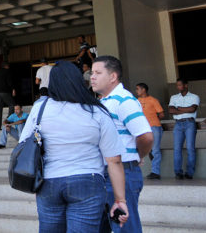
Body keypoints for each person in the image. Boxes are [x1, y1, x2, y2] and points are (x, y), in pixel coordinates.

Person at [20, 61, 128, 232]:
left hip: (48, 183)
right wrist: (120, 200)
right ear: (78, 80)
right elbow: (114, 160)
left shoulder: (40, 108)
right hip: (88, 182)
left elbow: (23, 144)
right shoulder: (96, 111)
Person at [91, 56, 153, 233]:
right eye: (92, 73)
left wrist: (137, 155)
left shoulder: (124, 100)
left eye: (98, 72)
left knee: (124, 228)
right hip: (105, 174)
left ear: (113, 76)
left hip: (122, 173)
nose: (92, 77)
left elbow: (146, 137)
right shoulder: (104, 101)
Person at [168, 78, 200, 180]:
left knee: (190, 148)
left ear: (186, 85)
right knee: (177, 149)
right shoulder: (173, 97)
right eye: (177, 85)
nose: (178, 87)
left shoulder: (195, 97)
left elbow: (193, 109)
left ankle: (189, 173)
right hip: (178, 124)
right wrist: (185, 109)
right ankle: (178, 173)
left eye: (180, 85)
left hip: (190, 123)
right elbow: (170, 110)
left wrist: (178, 109)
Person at [135, 83, 165, 180]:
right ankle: (152, 171)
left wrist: (152, 119)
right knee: (148, 150)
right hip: (143, 128)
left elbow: (161, 114)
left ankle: (155, 172)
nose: (136, 91)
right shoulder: (137, 101)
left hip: (154, 127)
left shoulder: (153, 100)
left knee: (155, 150)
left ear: (143, 90)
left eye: (138, 89)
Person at [0, 62, 15, 132]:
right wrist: (13, 89)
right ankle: (8, 120)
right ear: (7, 66)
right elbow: (9, 81)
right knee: (12, 105)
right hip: (4, 91)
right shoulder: (7, 72)